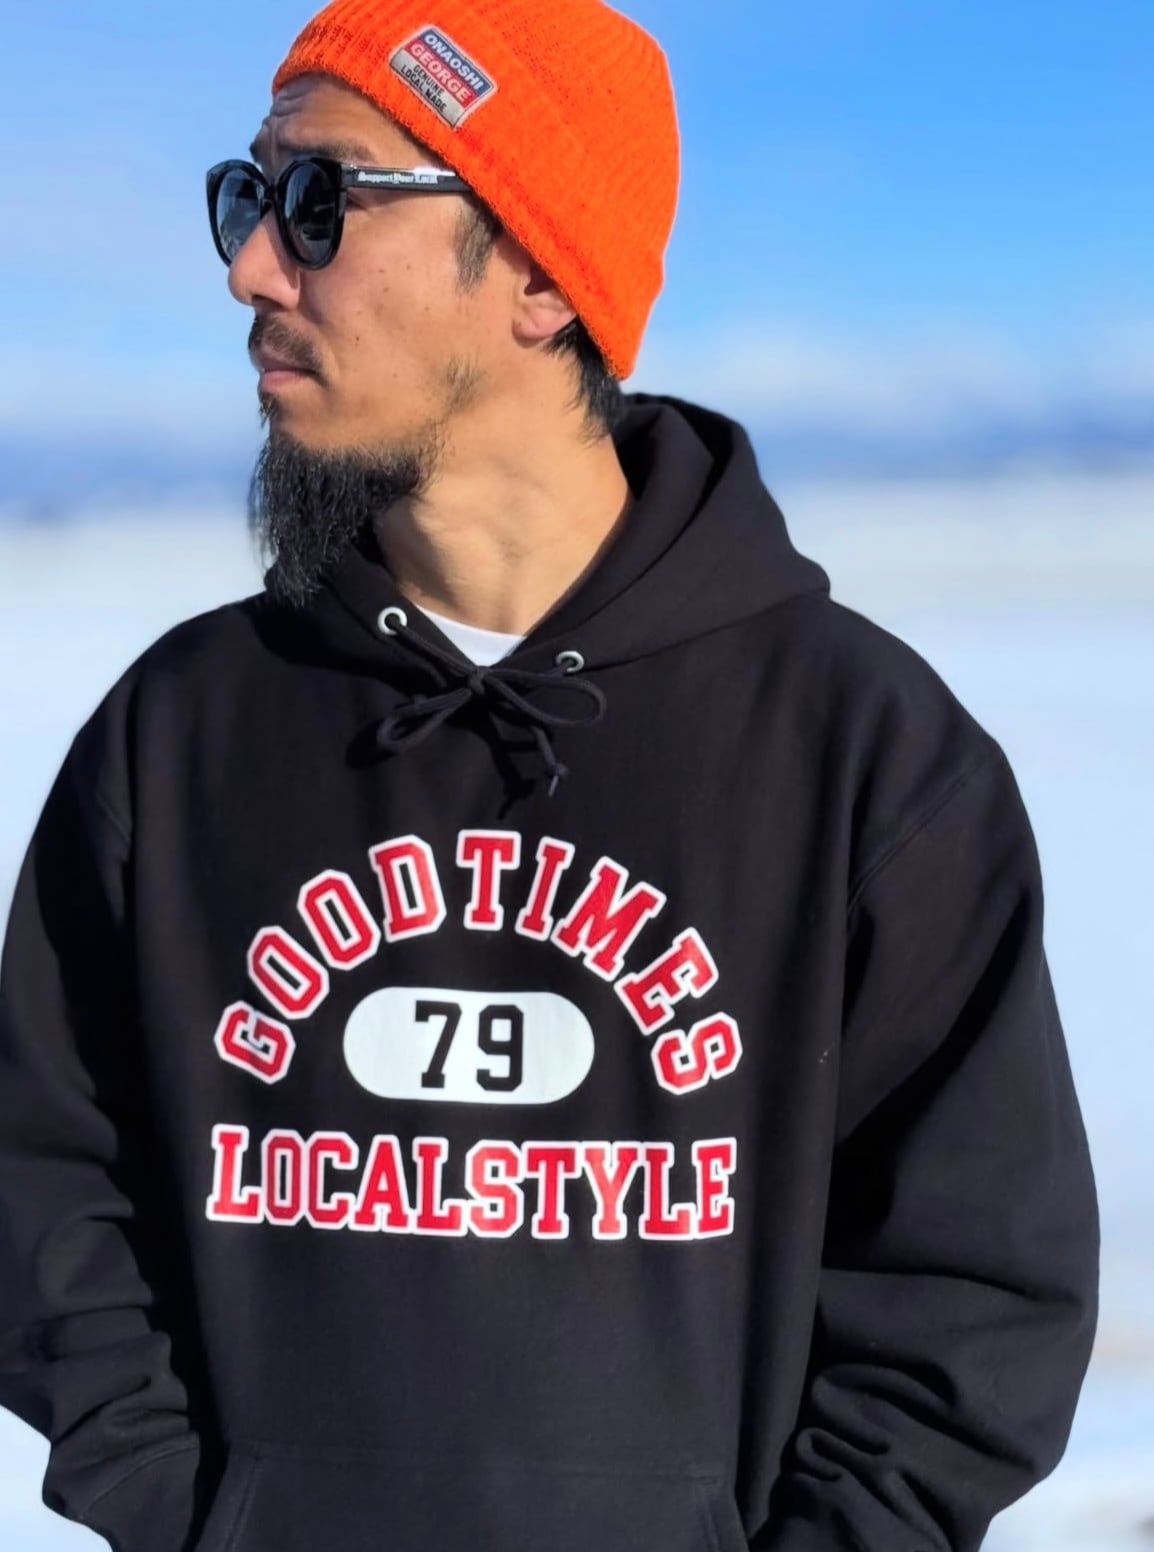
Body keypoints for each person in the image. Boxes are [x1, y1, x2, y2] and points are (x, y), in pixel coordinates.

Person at [0, 1, 1099, 1549]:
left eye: (316, 200)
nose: (250, 266)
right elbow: (47, 1188)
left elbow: (971, 1294)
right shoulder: (182, 731)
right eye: (244, 196)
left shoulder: (860, 750)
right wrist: (198, 1518)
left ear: (532, 270)